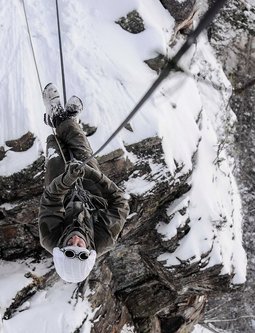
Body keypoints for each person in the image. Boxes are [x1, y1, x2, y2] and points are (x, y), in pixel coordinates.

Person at [38, 83, 129, 283]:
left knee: (55, 143)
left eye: (70, 248)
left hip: (60, 191)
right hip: (93, 194)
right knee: (82, 152)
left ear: (61, 250)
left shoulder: (49, 237)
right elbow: (121, 204)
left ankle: (62, 121)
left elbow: (51, 200)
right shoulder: (103, 239)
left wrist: (67, 179)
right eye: (81, 249)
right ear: (89, 251)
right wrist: (94, 176)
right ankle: (64, 119)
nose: (76, 242)